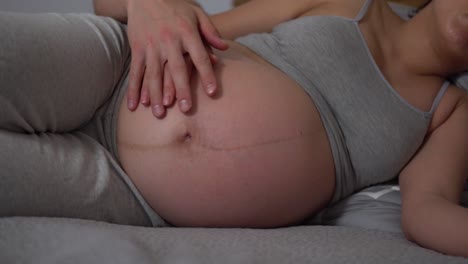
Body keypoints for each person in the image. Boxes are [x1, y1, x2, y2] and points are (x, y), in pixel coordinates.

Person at [0, 0, 467, 258]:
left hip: (130, 197)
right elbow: (134, 11)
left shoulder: (452, 112)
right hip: (112, 68)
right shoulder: (349, 2)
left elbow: (426, 211)